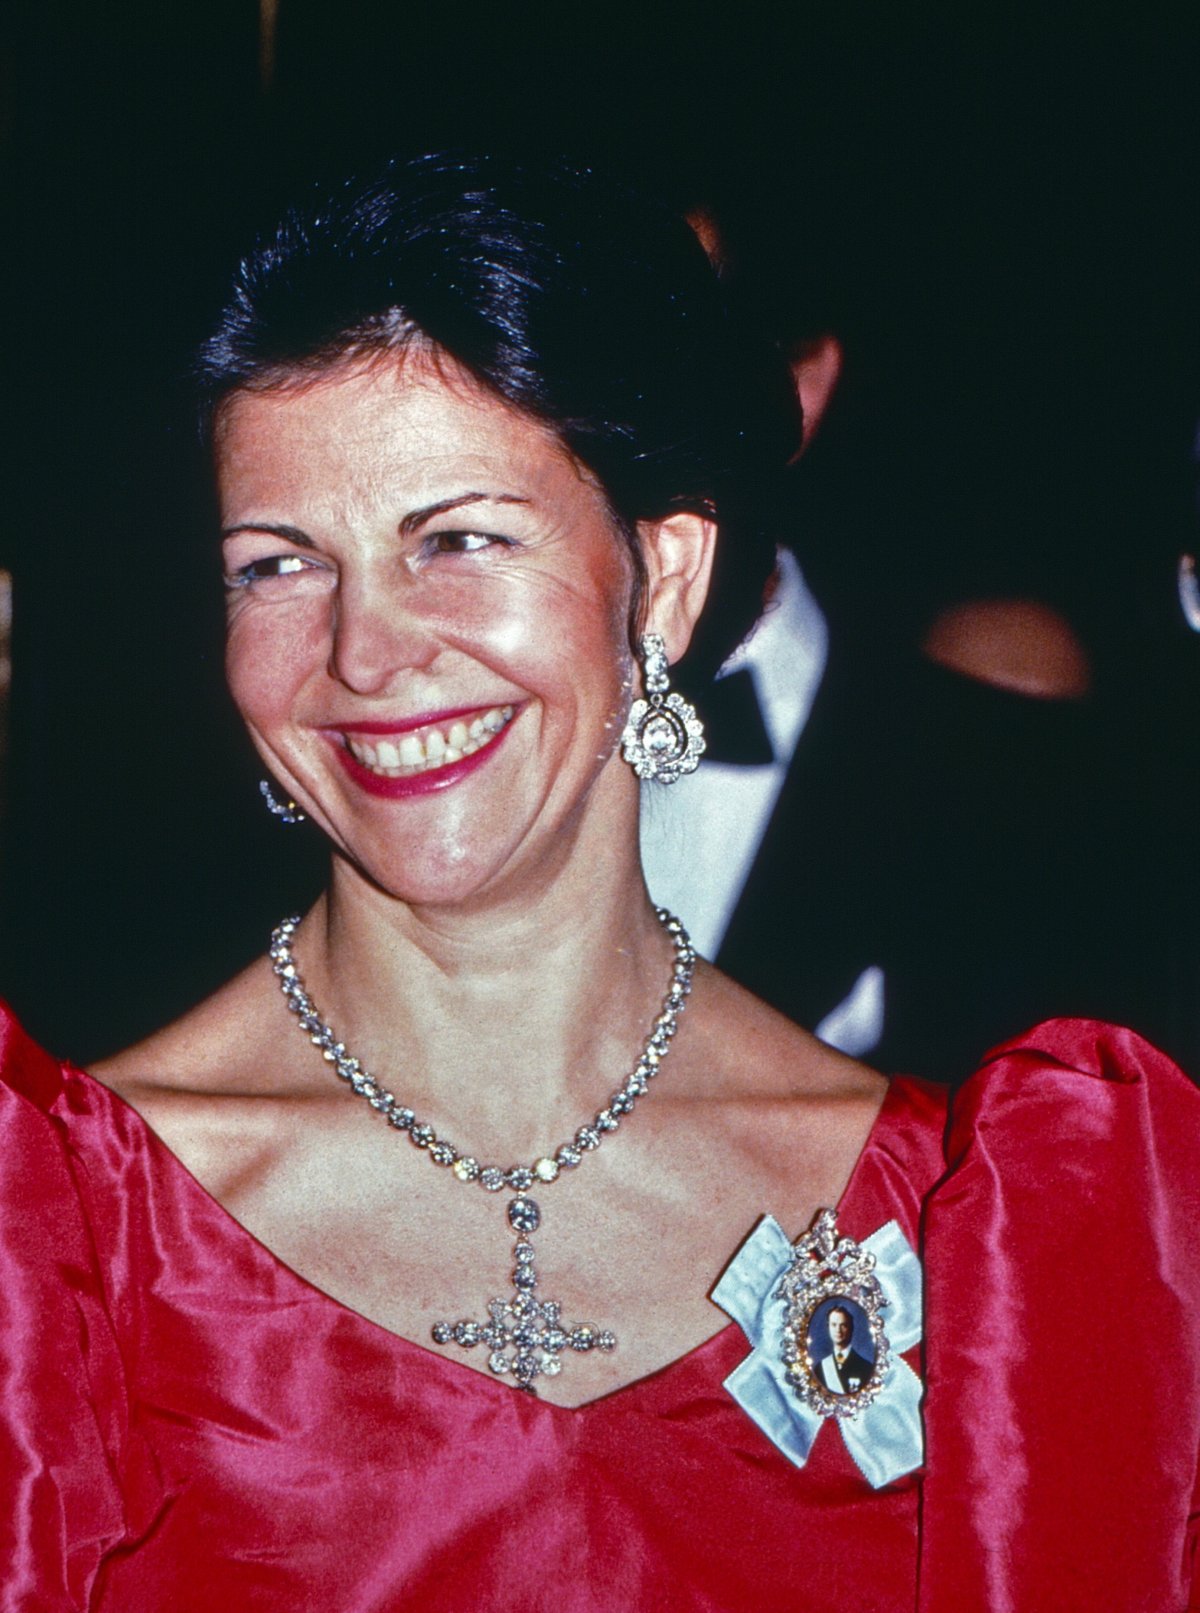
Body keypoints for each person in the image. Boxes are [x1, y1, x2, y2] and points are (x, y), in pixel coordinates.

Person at [1, 152, 1197, 1611]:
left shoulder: (996, 1221)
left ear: (667, 582)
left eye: (460, 538)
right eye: (279, 564)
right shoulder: (56, 1240)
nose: (366, 653)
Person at [815, 1303, 875, 1394]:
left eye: (843, 1325)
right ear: (828, 1328)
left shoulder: (866, 1367)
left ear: (850, 1328)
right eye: (834, 1325)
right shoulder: (820, 1368)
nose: (838, 1330)